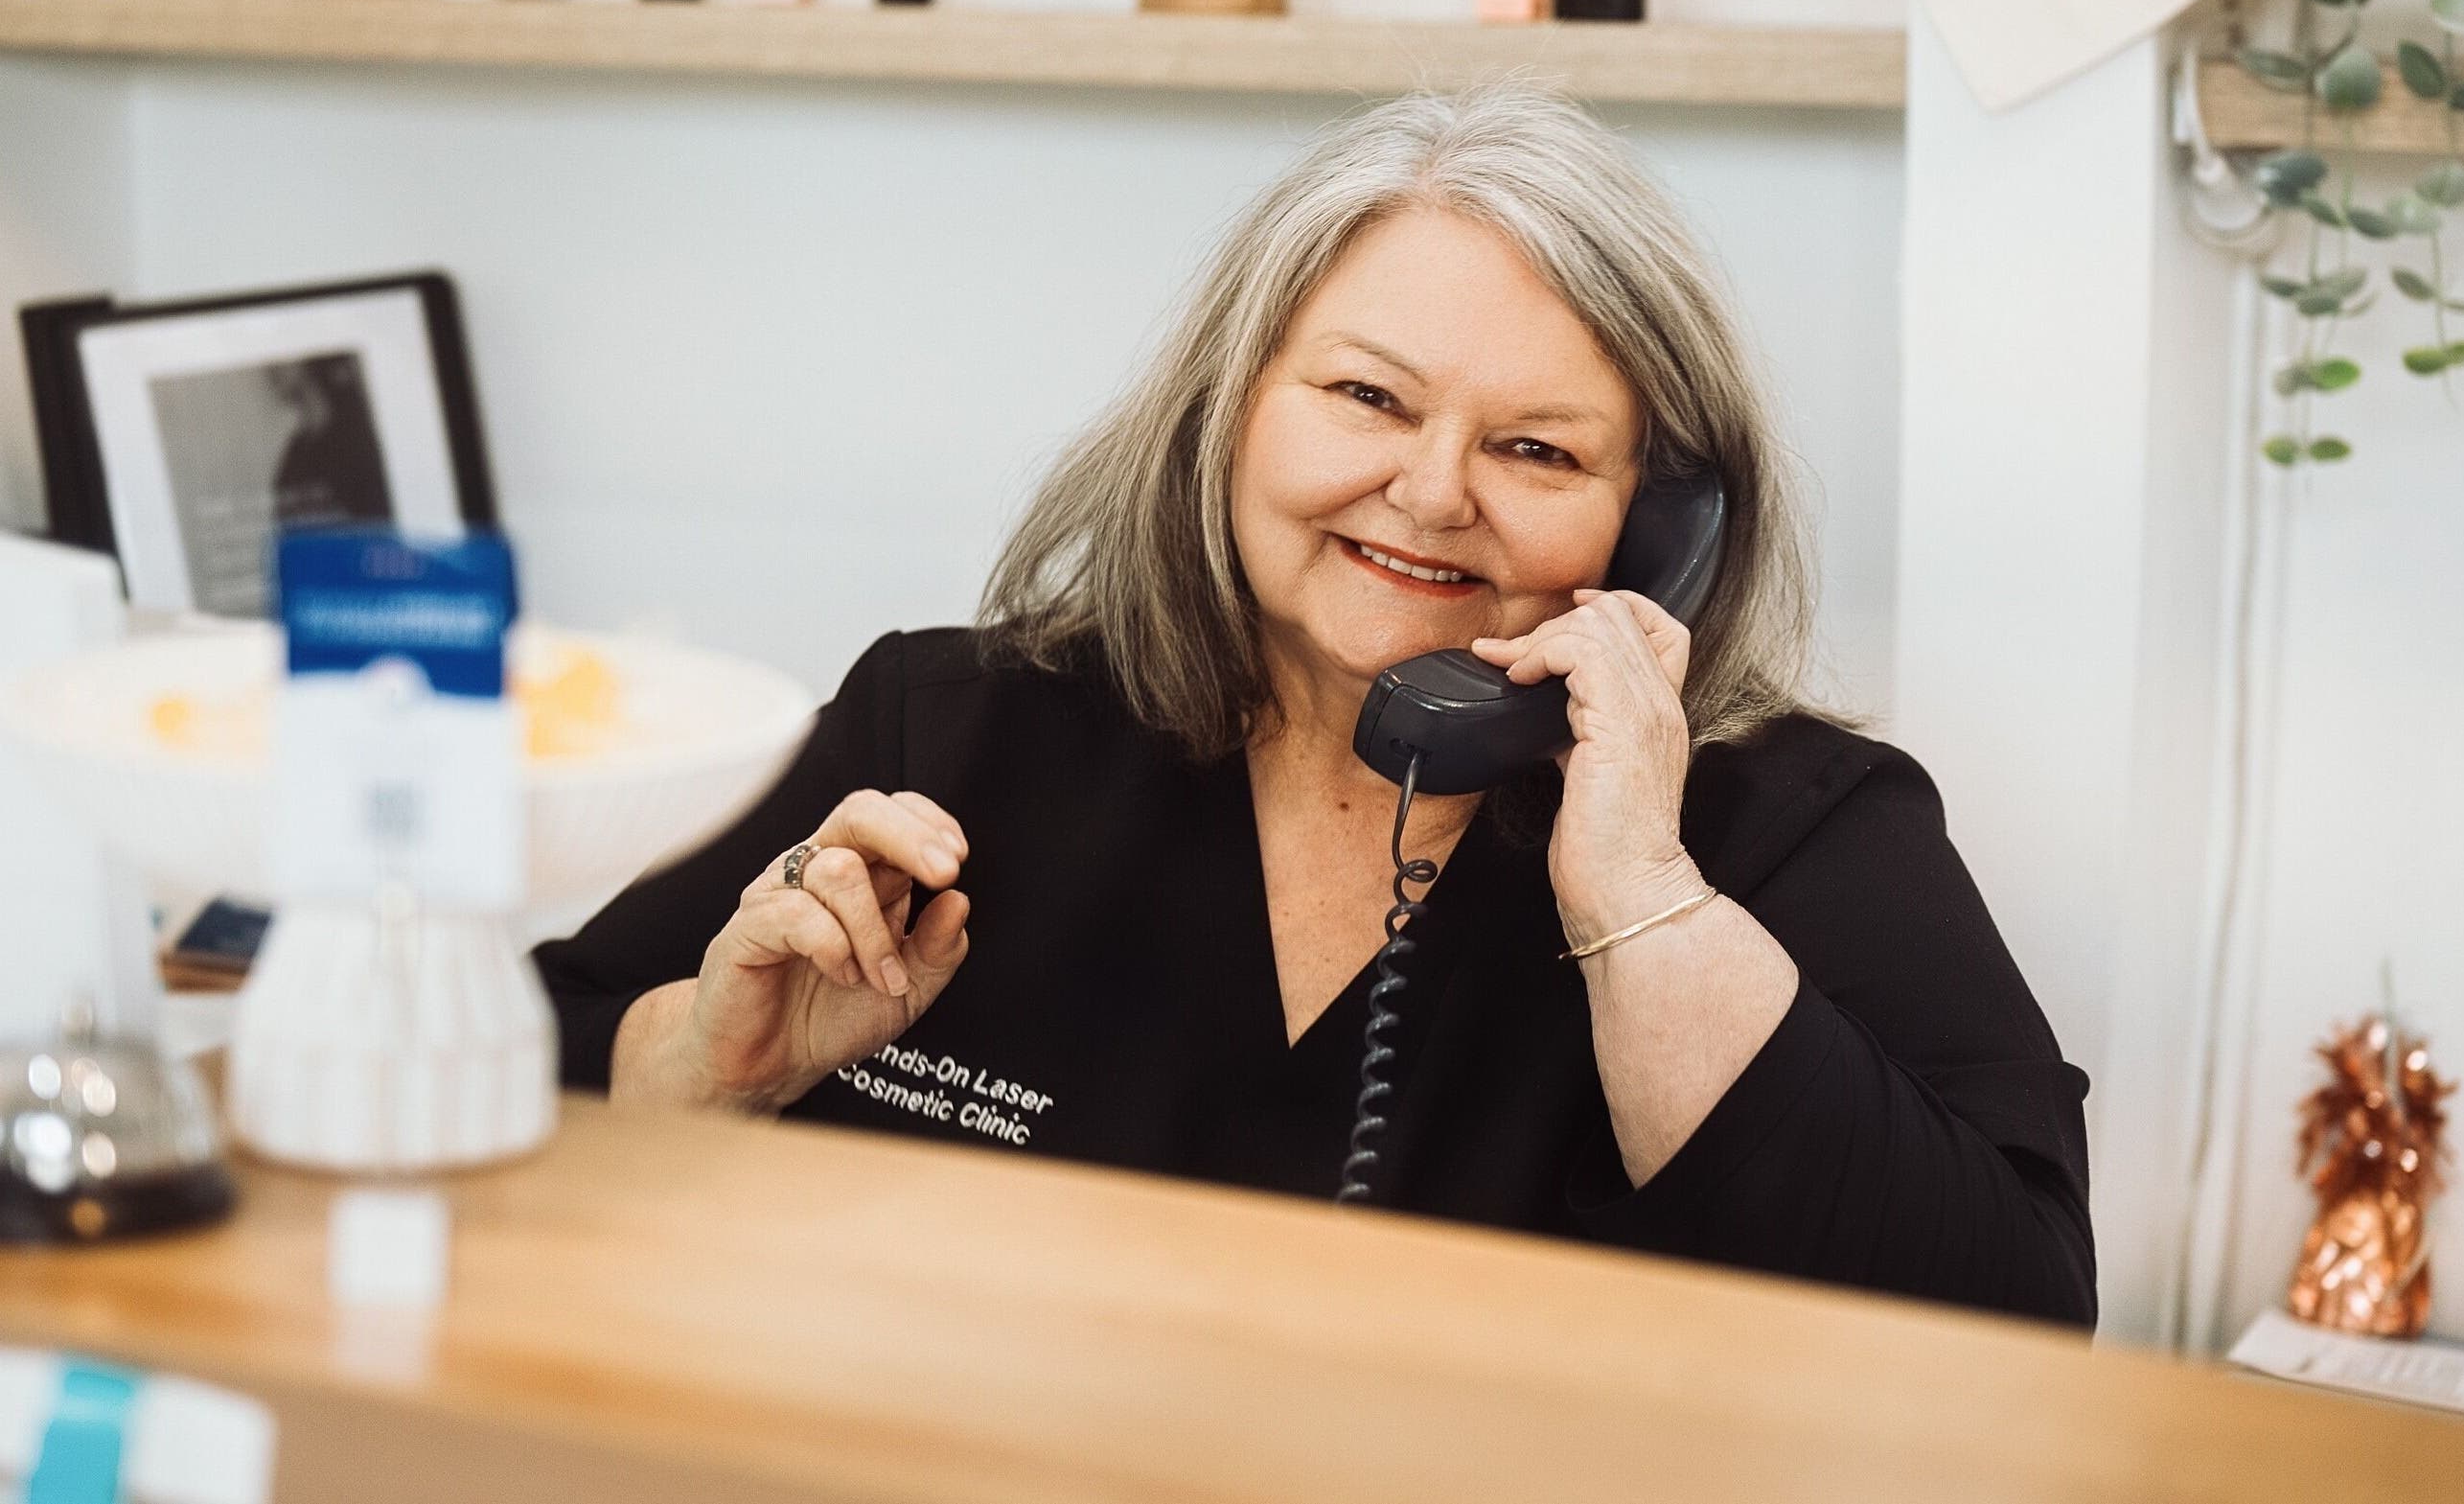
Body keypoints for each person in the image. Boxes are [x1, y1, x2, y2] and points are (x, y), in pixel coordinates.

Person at [531, 83, 2097, 1328]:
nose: (1428, 494)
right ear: (1230, 404)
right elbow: (519, 1080)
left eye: (1537, 450)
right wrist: (713, 1073)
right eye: (1367, 396)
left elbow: (2010, 1322)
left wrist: (1640, 897)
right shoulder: (943, 730)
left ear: (1660, 522)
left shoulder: (1790, 829)